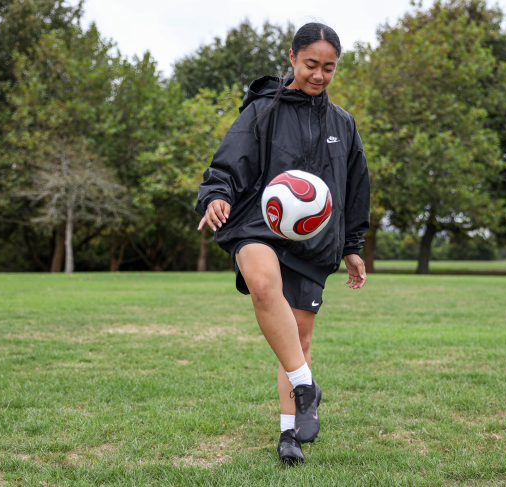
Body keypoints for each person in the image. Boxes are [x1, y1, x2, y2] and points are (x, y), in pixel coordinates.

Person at [195, 22, 370, 465]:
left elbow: (355, 187)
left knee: (299, 339)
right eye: (311, 64)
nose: (319, 75)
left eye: (329, 68)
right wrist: (217, 195)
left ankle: (289, 434)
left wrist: (352, 245)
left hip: (314, 242)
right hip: (258, 225)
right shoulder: (262, 110)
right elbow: (229, 161)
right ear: (292, 57)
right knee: (260, 279)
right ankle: (306, 384)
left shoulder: (343, 124)